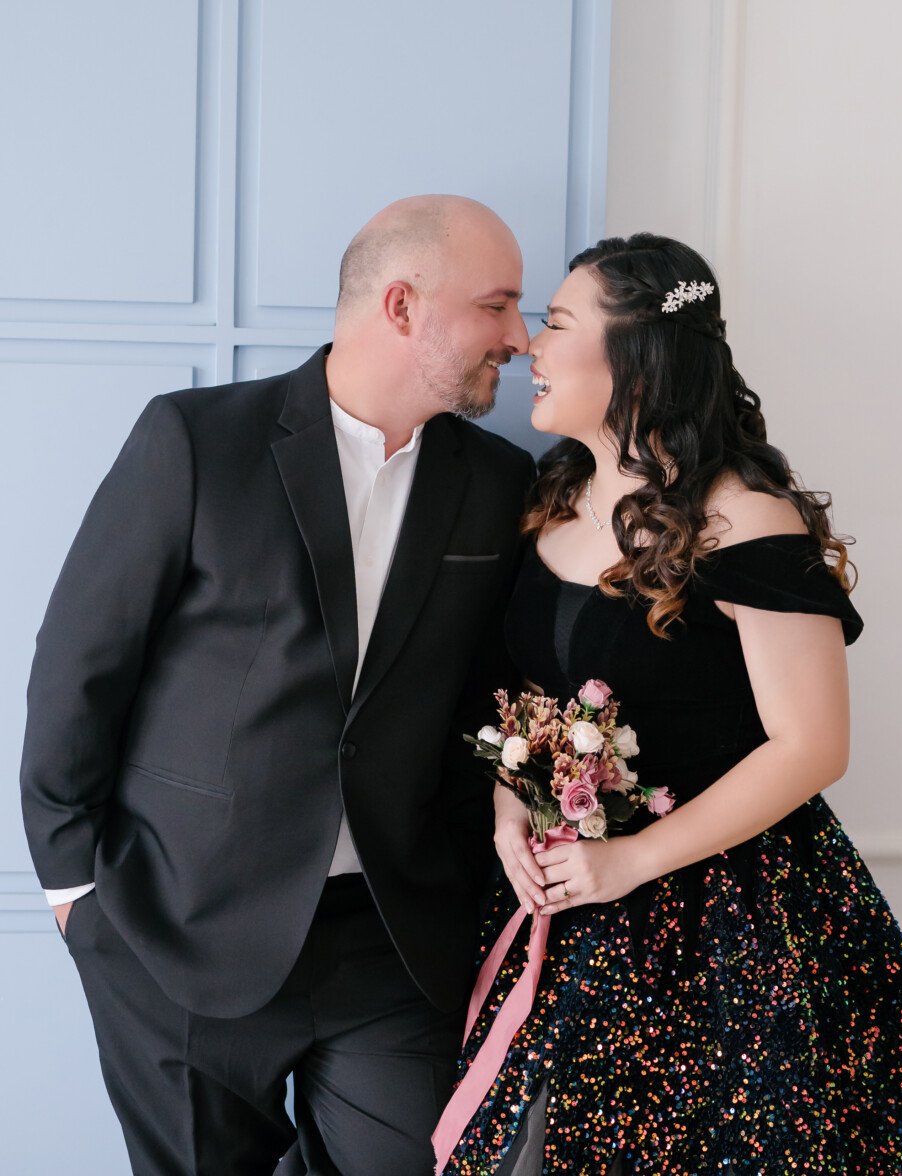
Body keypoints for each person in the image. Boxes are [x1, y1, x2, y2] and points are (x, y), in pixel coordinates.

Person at [20, 194, 537, 1176]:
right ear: (400, 305)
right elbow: (81, 663)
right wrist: (74, 890)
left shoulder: (500, 481)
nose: (519, 336)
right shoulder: (197, 439)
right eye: (497, 304)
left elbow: (488, 701)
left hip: (393, 941)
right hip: (179, 930)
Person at [437, 234, 902, 1175]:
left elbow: (811, 745)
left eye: (556, 324)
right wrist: (511, 808)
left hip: (730, 920)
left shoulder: (744, 516)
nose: (530, 345)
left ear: (636, 356)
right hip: (563, 900)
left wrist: (629, 862)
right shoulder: (552, 495)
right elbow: (522, 699)